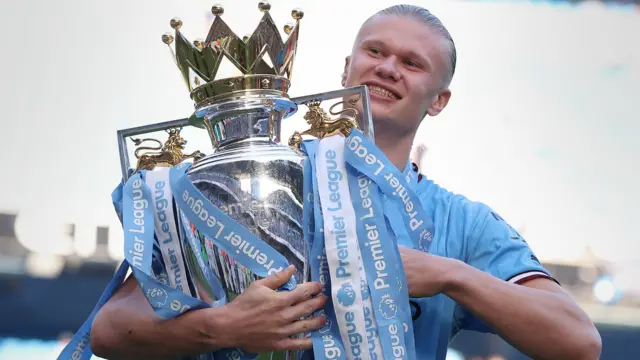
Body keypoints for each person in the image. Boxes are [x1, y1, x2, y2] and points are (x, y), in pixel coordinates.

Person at [90, 4, 602, 360]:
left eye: (411, 62)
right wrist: (222, 326)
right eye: (374, 52)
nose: (387, 68)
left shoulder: (459, 224)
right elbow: (109, 329)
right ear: (346, 67)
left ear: (439, 99)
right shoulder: (248, 180)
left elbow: (578, 342)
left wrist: (452, 276)